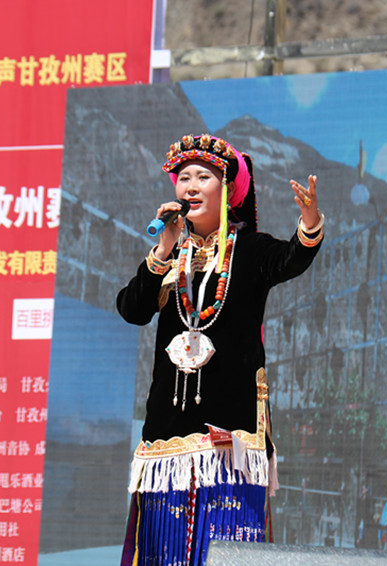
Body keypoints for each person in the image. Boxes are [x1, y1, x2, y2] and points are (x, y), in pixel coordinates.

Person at [117, 134, 325, 565]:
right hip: (167, 439)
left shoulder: (249, 251)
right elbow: (132, 309)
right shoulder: (170, 258)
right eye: (183, 178)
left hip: (229, 440)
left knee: (226, 548)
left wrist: (309, 223)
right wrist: (162, 250)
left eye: (203, 177)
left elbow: (290, 258)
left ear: (227, 190)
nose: (190, 187)